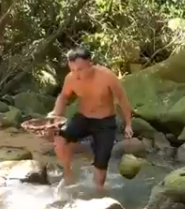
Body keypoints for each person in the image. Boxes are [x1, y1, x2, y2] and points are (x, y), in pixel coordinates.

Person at [48, 46, 133, 193]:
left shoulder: (107, 76)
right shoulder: (71, 78)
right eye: (73, 69)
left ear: (90, 63)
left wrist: (128, 124)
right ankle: (68, 174)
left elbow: (122, 99)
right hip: (83, 118)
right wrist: (56, 114)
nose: (77, 74)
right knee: (59, 139)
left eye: (80, 69)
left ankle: (98, 195)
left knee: (100, 166)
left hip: (105, 122)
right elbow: (63, 97)